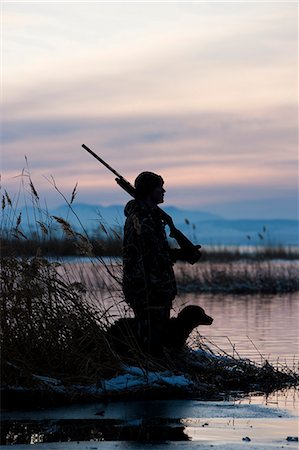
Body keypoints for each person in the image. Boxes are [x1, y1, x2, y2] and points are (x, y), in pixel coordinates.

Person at [122, 171, 200, 357]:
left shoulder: (150, 216)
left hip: (154, 287)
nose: (163, 191)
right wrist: (181, 253)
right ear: (149, 191)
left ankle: (157, 369)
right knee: (150, 340)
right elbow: (151, 254)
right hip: (148, 288)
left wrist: (179, 252)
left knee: (156, 336)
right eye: (159, 187)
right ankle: (152, 372)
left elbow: (156, 252)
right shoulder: (143, 218)